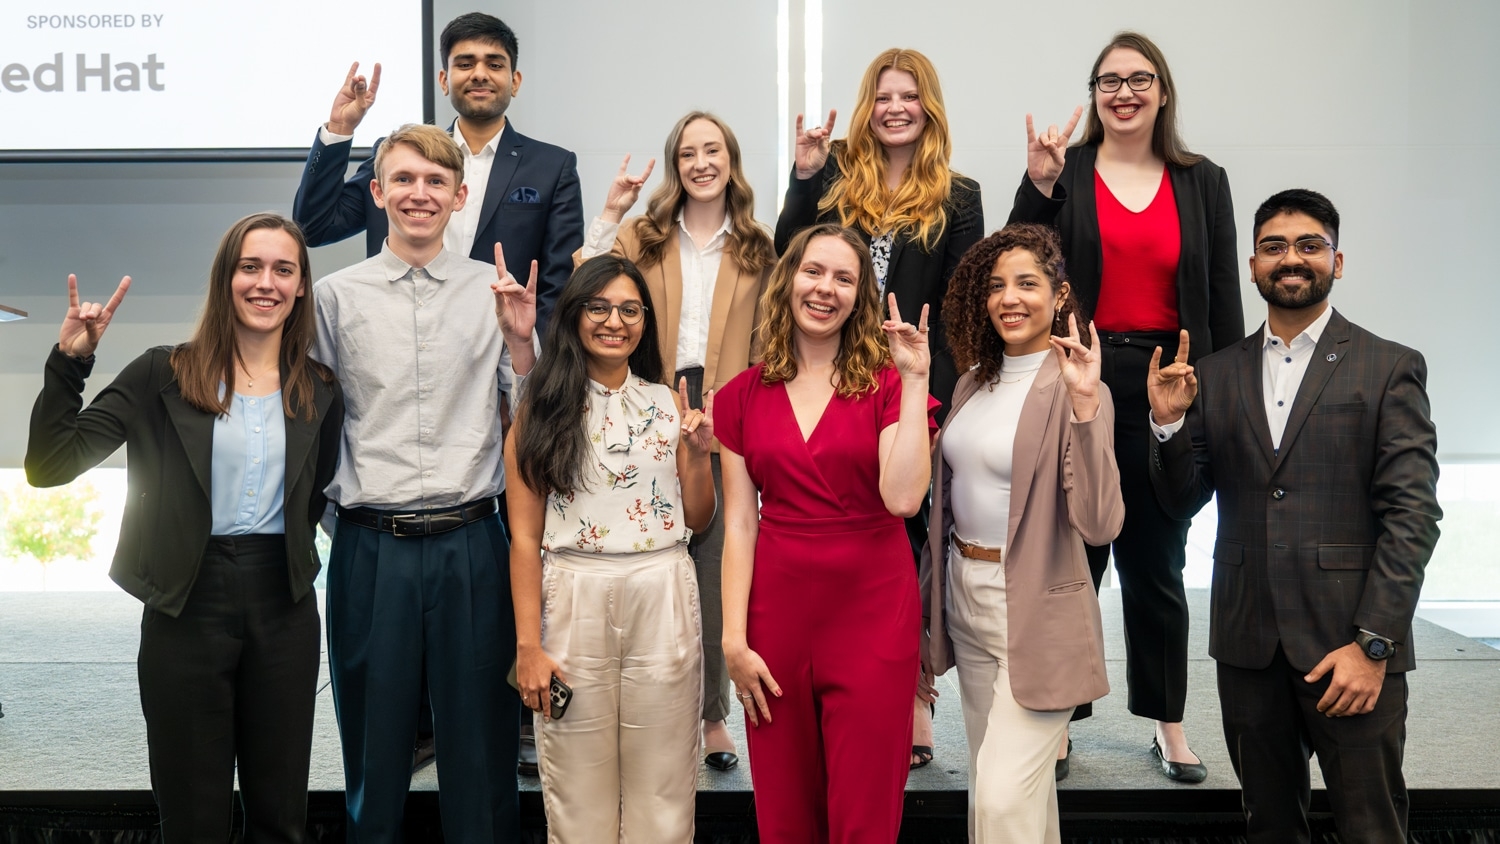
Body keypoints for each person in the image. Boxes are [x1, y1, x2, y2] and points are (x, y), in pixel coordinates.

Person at [25, 213, 344, 842]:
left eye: (283, 269)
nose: (266, 283)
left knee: (282, 817)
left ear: (302, 286)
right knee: (193, 818)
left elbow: (312, 499)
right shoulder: (160, 372)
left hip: (284, 605)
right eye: (250, 266)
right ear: (225, 277)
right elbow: (49, 465)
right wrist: (69, 362)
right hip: (185, 604)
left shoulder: (320, 388)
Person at [1146, 189, 1441, 843]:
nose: (1292, 258)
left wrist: (1374, 647)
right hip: (1248, 650)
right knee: (1269, 827)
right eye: (1275, 246)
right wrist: (1166, 426)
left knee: (1373, 829)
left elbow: (1412, 516)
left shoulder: (1387, 367)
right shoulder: (1213, 375)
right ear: (1253, 266)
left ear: (1338, 262)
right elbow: (1181, 502)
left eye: (1310, 244)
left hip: (1351, 650)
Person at [1009, 30, 1242, 780]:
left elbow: (1221, 304)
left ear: (1163, 91)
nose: (1124, 92)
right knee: (1075, 557)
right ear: (1094, 93)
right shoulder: (1068, 172)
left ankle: (1167, 723)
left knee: (1158, 559)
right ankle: (1064, 721)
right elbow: (1018, 260)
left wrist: (1221, 401)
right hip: (1079, 373)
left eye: (1139, 79)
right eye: (1108, 81)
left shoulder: (1203, 181)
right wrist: (1037, 184)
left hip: (1167, 384)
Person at [311, 123, 538, 841]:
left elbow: (532, 422)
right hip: (368, 547)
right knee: (375, 757)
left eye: (436, 182)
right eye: (403, 180)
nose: (419, 194)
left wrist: (525, 342)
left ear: (459, 195)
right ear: (376, 193)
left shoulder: (493, 291)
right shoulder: (333, 297)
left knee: (482, 755)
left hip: (471, 544)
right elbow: (310, 419)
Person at [776, 45, 982, 769]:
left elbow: (960, 304)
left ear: (928, 108)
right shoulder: (832, 180)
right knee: (845, 534)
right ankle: (834, 681)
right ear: (868, 108)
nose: (896, 108)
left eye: (910, 96)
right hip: (832, 380)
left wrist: (934, 391)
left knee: (914, 540)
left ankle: (916, 698)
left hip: (912, 380)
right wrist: (803, 175)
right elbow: (788, 255)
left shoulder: (959, 195)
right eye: (883, 96)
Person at [718, 223, 937, 843]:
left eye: (845, 278)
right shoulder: (739, 396)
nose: (826, 288)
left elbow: (902, 497)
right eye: (814, 271)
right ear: (788, 278)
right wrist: (734, 640)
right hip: (776, 616)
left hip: (872, 612)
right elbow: (739, 523)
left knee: (864, 813)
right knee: (785, 813)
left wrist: (916, 381)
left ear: (861, 296)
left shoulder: (889, 383)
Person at [577, 111, 775, 772]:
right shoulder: (645, 234)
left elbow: (768, 343)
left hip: (722, 430)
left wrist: (740, 417)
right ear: (676, 164)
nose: (700, 162)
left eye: (711, 149)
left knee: (716, 577)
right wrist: (611, 211)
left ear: (730, 159)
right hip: (644, 424)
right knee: (652, 575)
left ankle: (713, 718)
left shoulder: (756, 244)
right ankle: (651, 712)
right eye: (687, 152)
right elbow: (589, 280)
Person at [920, 224, 1123, 842]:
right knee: (1001, 791)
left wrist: (1088, 410)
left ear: (1059, 296)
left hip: (1036, 609)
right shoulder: (972, 380)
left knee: (1003, 800)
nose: (1010, 298)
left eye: (1028, 284)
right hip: (966, 595)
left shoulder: (1076, 385)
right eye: (997, 286)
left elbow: (1099, 522)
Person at [505, 254, 717, 842]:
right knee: (577, 790)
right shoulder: (540, 411)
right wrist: (528, 646)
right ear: (574, 314)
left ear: (645, 321)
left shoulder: (666, 404)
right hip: (572, 595)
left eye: (629, 309)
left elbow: (698, 519)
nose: (614, 321)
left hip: (663, 590)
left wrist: (698, 455)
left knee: (666, 785)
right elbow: (523, 537)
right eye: (598, 307)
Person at [293, 11, 582, 336]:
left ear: (515, 82)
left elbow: (559, 287)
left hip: (500, 351)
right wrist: (340, 129)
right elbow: (312, 228)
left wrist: (529, 360)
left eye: (495, 64)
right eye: (465, 63)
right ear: (444, 80)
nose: (479, 74)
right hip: (392, 340)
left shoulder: (553, 167)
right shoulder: (399, 157)